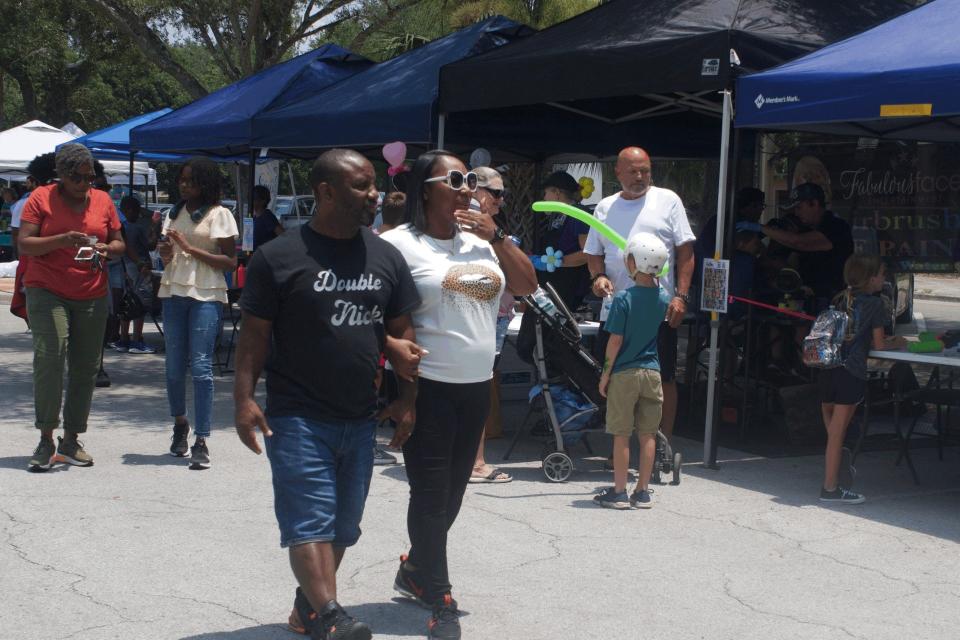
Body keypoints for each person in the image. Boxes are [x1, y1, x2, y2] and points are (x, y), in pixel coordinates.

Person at [234, 149, 422, 640]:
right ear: (326, 192)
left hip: (360, 415)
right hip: (296, 415)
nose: (374, 194)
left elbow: (403, 334)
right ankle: (333, 618)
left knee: (343, 528)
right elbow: (254, 336)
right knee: (309, 521)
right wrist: (244, 399)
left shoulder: (385, 256)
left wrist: (407, 401)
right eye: (361, 186)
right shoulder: (278, 257)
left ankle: (309, 608)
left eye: (374, 184)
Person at [381, 150, 536, 640]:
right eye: (454, 179)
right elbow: (375, 313)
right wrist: (399, 386)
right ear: (425, 188)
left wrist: (500, 237)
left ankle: (414, 568)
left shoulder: (483, 243)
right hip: (426, 388)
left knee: (452, 494)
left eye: (470, 178)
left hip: (475, 387)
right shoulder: (397, 245)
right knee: (429, 493)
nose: (467, 187)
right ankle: (440, 596)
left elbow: (527, 285)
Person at [18, 143, 124, 471]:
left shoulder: (103, 201)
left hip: (91, 292)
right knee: (51, 357)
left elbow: (120, 244)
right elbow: (24, 243)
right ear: (62, 176)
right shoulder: (41, 199)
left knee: (86, 366)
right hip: (47, 288)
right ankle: (46, 438)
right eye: (78, 178)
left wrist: (109, 248)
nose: (85, 184)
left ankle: (71, 439)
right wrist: (61, 240)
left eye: (90, 178)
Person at [586, 147, 695, 441]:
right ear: (617, 173)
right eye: (632, 171)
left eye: (645, 170)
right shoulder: (605, 207)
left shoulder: (667, 200)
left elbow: (686, 252)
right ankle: (618, 447)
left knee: (664, 377)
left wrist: (681, 297)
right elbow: (593, 253)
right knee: (615, 376)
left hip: (657, 311)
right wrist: (598, 277)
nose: (639, 177)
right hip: (616, 310)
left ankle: (662, 445)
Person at [157, 157, 238, 469]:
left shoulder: (220, 214)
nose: (185, 185)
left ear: (205, 183)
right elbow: (168, 254)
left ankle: (202, 438)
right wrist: (166, 252)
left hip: (206, 293)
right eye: (182, 180)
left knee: (201, 366)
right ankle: (180, 424)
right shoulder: (173, 212)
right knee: (174, 367)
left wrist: (190, 249)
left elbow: (231, 262)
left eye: (191, 180)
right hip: (174, 290)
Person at [817, 254, 906, 504]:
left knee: (832, 426)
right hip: (850, 372)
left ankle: (839, 462)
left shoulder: (839, 298)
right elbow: (878, 344)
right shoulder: (875, 304)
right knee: (838, 434)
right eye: (881, 274)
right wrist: (898, 341)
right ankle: (830, 488)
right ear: (870, 278)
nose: (884, 278)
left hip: (827, 369)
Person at [595, 233, 671, 509]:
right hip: (652, 372)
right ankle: (643, 491)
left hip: (625, 373)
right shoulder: (663, 297)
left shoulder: (623, 299)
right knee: (648, 434)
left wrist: (605, 374)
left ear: (631, 262)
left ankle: (618, 492)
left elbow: (615, 341)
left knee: (621, 433)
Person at [749, 182, 853, 313]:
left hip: (831, 302)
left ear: (814, 204)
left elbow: (799, 242)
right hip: (804, 299)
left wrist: (761, 228)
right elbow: (789, 263)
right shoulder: (804, 228)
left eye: (799, 208)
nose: (796, 213)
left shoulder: (836, 227)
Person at [470, 166, 513, 484]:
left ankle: (474, 460)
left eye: (503, 194)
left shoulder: (488, 225)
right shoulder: (467, 223)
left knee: (481, 386)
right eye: (495, 193)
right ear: (476, 190)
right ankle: (474, 463)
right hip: (472, 321)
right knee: (477, 388)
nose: (500, 199)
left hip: (490, 317)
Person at [537, 170, 591, 309]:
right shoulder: (556, 215)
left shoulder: (579, 214)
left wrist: (557, 262)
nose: (544, 198)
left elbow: (587, 253)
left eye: (546, 193)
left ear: (557, 192)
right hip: (552, 285)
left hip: (569, 286)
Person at [116, 196, 156, 354]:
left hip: (124, 267)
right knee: (140, 303)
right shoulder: (136, 228)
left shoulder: (120, 226)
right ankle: (137, 339)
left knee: (127, 303)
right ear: (130, 211)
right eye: (138, 212)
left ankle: (124, 338)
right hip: (139, 268)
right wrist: (154, 228)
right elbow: (150, 245)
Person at [252, 185, 283, 251]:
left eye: (253, 198)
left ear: (263, 201)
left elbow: (282, 235)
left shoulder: (267, 216)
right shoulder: (254, 217)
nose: (250, 200)